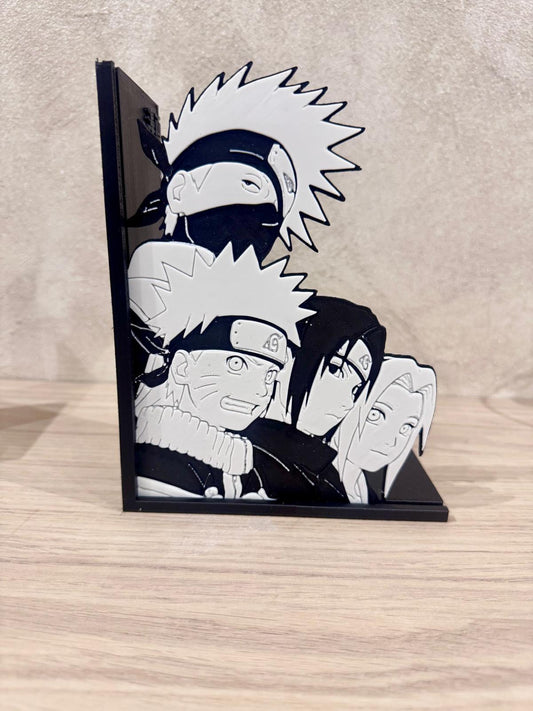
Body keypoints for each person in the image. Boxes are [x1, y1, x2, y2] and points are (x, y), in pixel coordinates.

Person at [128, 240, 314, 499]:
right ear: (182, 367)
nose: (260, 391)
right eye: (236, 364)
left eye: (270, 374)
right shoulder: (158, 466)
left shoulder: (240, 467)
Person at [128, 63, 363, 262]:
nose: (266, 219)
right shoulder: (154, 274)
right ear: (179, 191)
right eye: (250, 185)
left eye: (277, 212)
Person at [242, 296, 386, 504]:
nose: (348, 402)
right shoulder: (245, 459)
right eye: (335, 370)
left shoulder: (323, 466)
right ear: (286, 359)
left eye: (356, 389)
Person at [336, 356, 436, 504]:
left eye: (406, 427)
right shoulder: (310, 478)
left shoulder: (362, 485)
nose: (390, 441)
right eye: (375, 415)